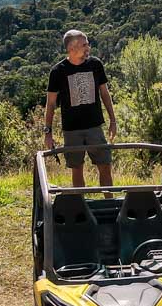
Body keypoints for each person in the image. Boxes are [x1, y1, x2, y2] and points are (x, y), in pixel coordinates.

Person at [44, 29, 118, 187]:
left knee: (105, 166)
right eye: (84, 45)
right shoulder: (57, 72)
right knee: (76, 169)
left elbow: (104, 93)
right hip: (72, 130)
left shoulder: (95, 64)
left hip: (95, 127)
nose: (88, 48)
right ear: (71, 48)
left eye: (88, 44)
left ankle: (110, 204)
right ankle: (80, 208)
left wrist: (113, 120)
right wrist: (47, 132)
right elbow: (50, 104)